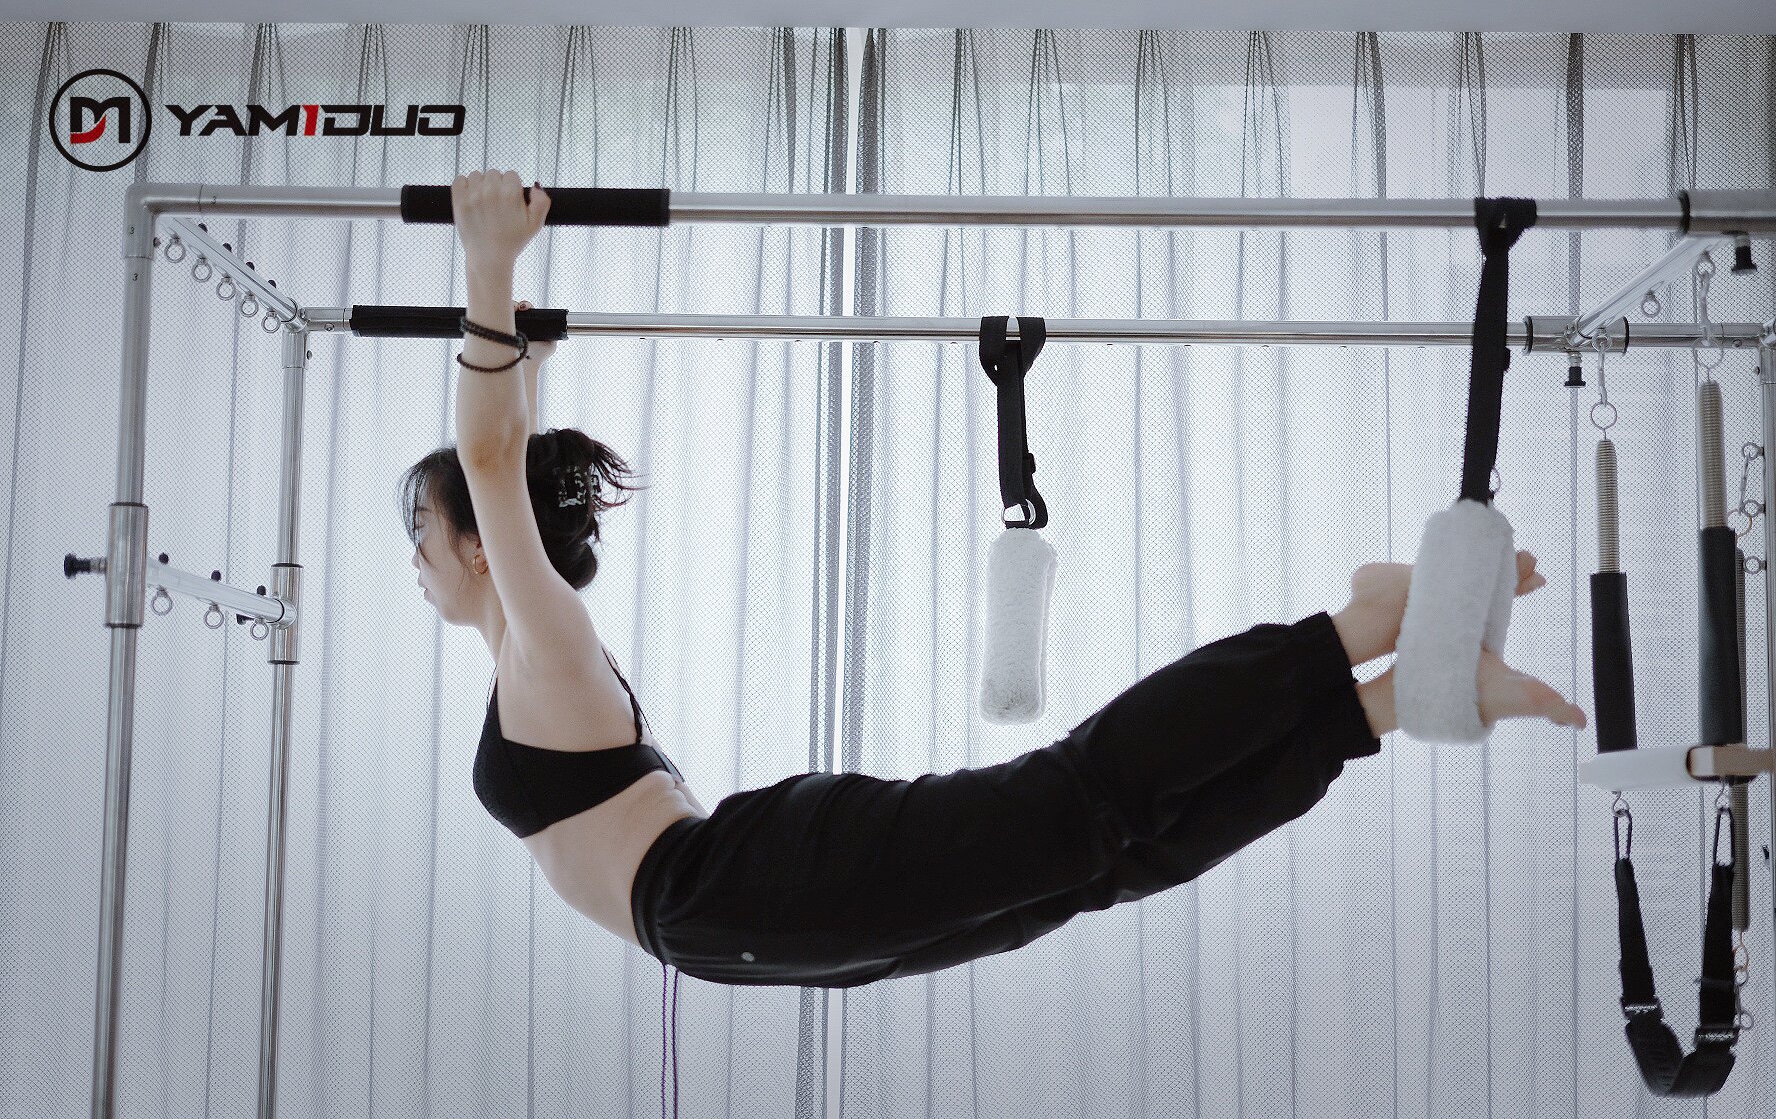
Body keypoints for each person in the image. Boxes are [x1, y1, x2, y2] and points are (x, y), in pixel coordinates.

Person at [406, 169, 1587, 990]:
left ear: (480, 543)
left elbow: (494, 459)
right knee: (1095, 865)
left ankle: (1355, 625)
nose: (413, 559)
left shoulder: (544, 639)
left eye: (421, 530)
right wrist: (523, 342)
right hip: (733, 916)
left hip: (738, 891)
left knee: (1080, 801)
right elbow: (506, 460)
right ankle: (1375, 701)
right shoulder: (528, 639)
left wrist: (490, 265)